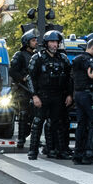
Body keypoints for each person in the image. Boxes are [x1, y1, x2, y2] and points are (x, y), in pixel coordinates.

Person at [27, 31, 73, 160]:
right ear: (46, 43)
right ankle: (33, 151)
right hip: (42, 95)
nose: (54, 45)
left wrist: (69, 94)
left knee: (57, 123)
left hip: (58, 95)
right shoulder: (37, 58)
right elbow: (30, 78)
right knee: (38, 122)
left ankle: (55, 149)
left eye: (56, 42)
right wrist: (34, 96)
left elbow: (69, 78)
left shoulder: (63, 58)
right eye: (52, 42)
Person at [9, 31, 37, 150]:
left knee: (34, 115)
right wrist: (22, 78)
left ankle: (31, 137)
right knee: (23, 114)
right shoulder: (19, 55)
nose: (36, 42)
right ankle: (21, 139)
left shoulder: (36, 55)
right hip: (22, 89)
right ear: (27, 42)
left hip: (34, 89)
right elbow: (12, 71)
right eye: (33, 40)